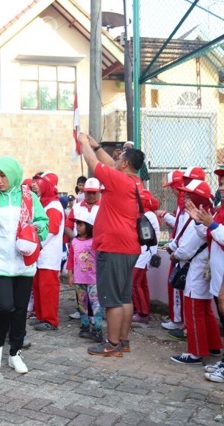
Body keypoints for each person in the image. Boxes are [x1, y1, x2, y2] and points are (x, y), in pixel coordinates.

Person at [0, 157, 48, 374]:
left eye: (2, 175)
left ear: (14, 175)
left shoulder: (30, 197)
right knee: (5, 306)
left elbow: (44, 223)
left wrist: (35, 228)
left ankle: (14, 352)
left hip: (23, 262)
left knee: (19, 310)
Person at [77, 132, 144, 357]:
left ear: (125, 163)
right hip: (129, 246)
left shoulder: (119, 180)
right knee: (124, 297)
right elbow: (106, 163)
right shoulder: (135, 182)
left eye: (119, 158)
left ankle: (111, 344)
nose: (115, 160)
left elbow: (93, 164)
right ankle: (123, 342)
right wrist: (96, 146)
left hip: (113, 247)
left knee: (112, 300)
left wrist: (83, 143)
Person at [168, 180, 222, 365]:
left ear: (198, 196)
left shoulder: (201, 215)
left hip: (197, 269)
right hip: (205, 269)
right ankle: (214, 346)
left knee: (193, 311)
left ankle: (195, 353)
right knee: (205, 310)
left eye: (190, 193)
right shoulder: (209, 212)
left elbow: (187, 248)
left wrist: (175, 255)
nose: (186, 196)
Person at [191, 169, 224, 380]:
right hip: (218, 274)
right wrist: (198, 221)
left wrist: (211, 224)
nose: (221, 184)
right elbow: (210, 234)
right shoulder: (221, 208)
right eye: (220, 181)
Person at [30, 172, 63, 332]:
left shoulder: (54, 206)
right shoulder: (45, 204)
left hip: (48, 256)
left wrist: (36, 245)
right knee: (39, 287)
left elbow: (51, 230)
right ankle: (41, 316)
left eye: (39, 182)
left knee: (48, 288)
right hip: (41, 255)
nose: (35, 184)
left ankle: (50, 320)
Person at [157, 170, 187, 332]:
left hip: (182, 252)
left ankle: (177, 320)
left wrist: (165, 215)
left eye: (172, 187)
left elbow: (182, 227)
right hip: (181, 249)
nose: (172, 191)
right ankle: (178, 319)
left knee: (176, 285)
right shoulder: (183, 199)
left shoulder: (185, 200)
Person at [66, 210, 102, 342]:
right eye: (77, 224)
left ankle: (97, 329)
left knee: (95, 305)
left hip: (93, 279)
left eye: (81, 225)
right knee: (82, 304)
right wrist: (70, 274)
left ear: (89, 226)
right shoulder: (74, 241)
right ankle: (85, 325)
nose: (78, 227)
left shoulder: (95, 241)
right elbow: (71, 259)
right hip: (79, 279)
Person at [131, 190, 161, 324]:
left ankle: (142, 312)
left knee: (134, 283)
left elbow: (141, 235)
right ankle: (144, 310)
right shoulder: (149, 214)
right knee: (142, 284)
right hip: (146, 253)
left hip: (144, 253)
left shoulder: (147, 214)